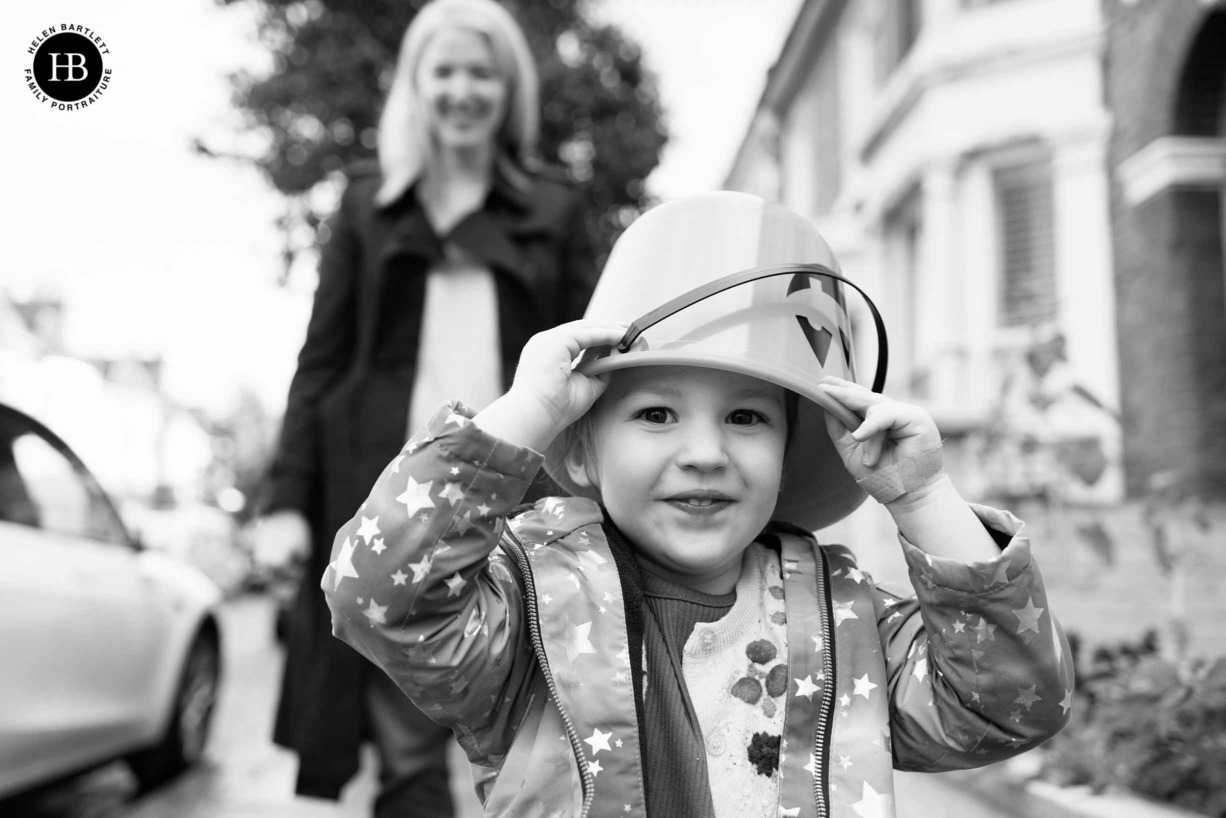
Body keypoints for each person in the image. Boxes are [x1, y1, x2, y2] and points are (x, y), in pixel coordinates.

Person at [321, 192, 1074, 817]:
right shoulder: (528, 614)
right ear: (580, 447)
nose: (706, 452)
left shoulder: (848, 623)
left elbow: (1010, 703)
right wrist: (527, 409)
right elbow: (378, 597)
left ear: (788, 453)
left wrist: (923, 497)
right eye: (655, 414)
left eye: (747, 417)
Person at [251, 0, 599, 813]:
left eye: (482, 72)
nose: (463, 90)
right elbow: (321, 363)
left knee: (533, 736)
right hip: (389, 508)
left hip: (526, 497)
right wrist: (286, 503)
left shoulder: (555, 207)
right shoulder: (368, 205)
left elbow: (593, 361)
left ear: (507, 90)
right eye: (444, 71)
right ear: (417, 84)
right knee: (407, 753)